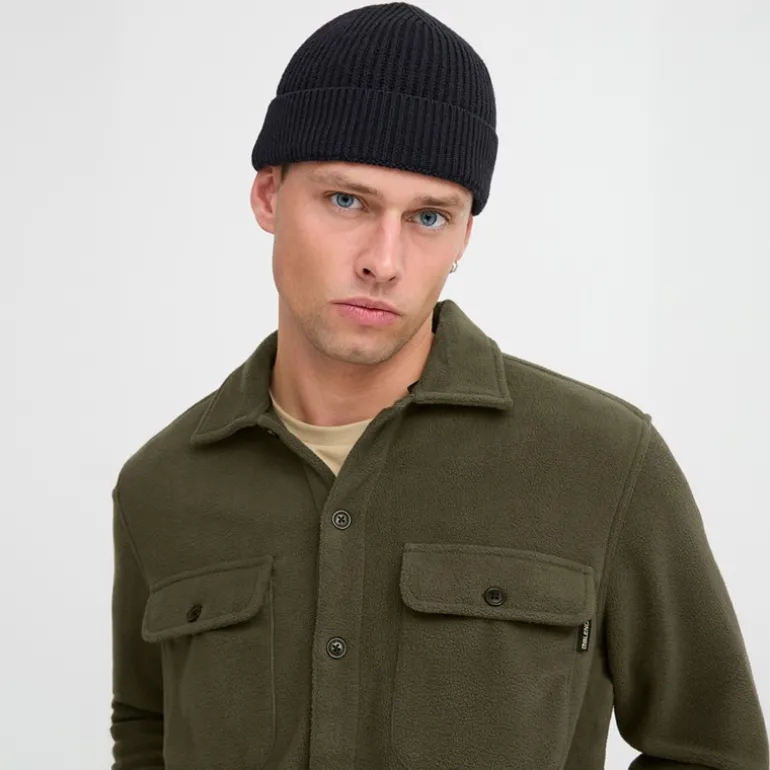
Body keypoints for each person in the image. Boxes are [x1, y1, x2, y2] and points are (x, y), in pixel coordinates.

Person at [109, 2, 768, 769]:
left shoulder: (606, 462)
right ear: (267, 195)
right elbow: (147, 731)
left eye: (427, 217)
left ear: (464, 235)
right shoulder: (161, 486)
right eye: (347, 200)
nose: (383, 261)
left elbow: (715, 750)